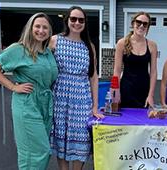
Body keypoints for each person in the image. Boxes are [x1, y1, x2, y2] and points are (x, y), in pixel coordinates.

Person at [0, 12, 58, 169]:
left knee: (40, 152)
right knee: (38, 151)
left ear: (49, 31)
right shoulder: (18, 50)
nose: (41, 30)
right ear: (30, 28)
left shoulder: (48, 53)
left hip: (45, 105)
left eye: (45, 27)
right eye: (37, 26)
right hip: (27, 104)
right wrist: (13, 86)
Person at [48, 6, 104, 170]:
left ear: (85, 23)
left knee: (81, 139)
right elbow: (40, 63)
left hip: (82, 99)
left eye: (81, 20)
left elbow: (93, 77)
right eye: (73, 19)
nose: (77, 23)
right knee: (61, 137)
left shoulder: (89, 46)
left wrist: (94, 106)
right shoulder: (54, 40)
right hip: (59, 97)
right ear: (67, 20)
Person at [112, 11, 158, 108]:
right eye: (138, 22)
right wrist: (116, 91)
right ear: (133, 23)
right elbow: (117, 70)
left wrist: (151, 95)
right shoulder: (122, 43)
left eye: (145, 24)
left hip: (144, 90)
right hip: (126, 89)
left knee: (143, 121)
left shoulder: (152, 45)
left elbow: (153, 72)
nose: (141, 26)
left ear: (147, 27)